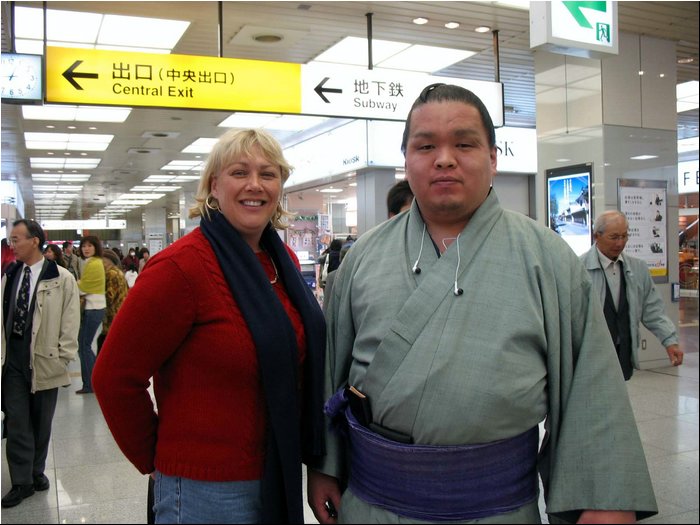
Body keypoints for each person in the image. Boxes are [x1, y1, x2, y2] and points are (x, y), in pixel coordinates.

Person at [308, 84, 657, 524]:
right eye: (426, 145)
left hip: (497, 508)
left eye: (464, 143)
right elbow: (332, 375)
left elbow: (593, 388)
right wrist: (325, 467)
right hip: (374, 502)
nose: (444, 158)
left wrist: (605, 500)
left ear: (493, 158)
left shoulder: (546, 257)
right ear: (406, 160)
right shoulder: (363, 257)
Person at [92, 128, 326, 524]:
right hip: (204, 492)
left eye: (268, 174)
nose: (255, 185)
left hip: (275, 476)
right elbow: (113, 377)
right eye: (239, 172)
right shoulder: (180, 268)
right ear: (214, 186)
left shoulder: (279, 260)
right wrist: (158, 456)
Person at [1, 219, 80, 508]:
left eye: (17, 239)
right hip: (13, 360)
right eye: (11, 239)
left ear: (35, 240)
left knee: (41, 420)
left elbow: (70, 321)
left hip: (46, 358)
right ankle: (21, 481)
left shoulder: (60, 278)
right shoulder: (9, 275)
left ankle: (36, 470)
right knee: (17, 420)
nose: (13, 244)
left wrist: (63, 356)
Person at [580, 210, 683, 380]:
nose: (620, 243)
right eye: (614, 237)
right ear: (596, 236)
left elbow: (653, 310)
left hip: (624, 352)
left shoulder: (637, 269)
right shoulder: (579, 269)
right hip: (591, 356)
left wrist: (669, 341)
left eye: (624, 236)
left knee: (620, 402)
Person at [76, 235, 106, 394]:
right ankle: (94, 380)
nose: (86, 248)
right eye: (84, 246)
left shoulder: (94, 263)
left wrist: (75, 285)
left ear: (95, 247)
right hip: (95, 307)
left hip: (93, 307)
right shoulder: (93, 262)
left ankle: (91, 383)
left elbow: (85, 285)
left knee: (83, 346)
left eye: (90, 246)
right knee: (84, 345)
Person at [97, 249, 128, 355]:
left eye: (102, 261)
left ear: (108, 261)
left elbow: (109, 296)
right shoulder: (119, 272)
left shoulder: (111, 274)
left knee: (103, 345)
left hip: (113, 317)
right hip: (119, 314)